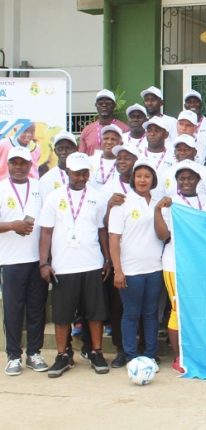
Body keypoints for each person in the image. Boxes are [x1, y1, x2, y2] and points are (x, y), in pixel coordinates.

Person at [38, 152, 111, 378]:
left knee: (95, 313)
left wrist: (107, 259)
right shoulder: (54, 197)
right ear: (68, 172)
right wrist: (44, 263)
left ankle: (96, 352)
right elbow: (46, 232)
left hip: (92, 263)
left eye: (85, 173)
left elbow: (102, 230)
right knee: (62, 315)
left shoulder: (97, 197)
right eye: (77, 173)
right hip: (63, 265)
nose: (81, 177)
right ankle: (62, 355)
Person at [153, 160, 206, 374]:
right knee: (178, 309)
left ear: (198, 180)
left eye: (190, 178)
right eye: (182, 178)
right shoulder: (170, 202)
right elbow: (163, 235)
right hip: (174, 263)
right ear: (176, 181)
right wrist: (158, 210)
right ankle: (179, 356)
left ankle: (197, 352)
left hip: (199, 264)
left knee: (198, 308)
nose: (186, 182)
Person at [108, 160, 163, 367]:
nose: (142, 180)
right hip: (130, 269)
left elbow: (164, 233)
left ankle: (150, 354)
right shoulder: (122, 203)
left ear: (153, 180)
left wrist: (160, 209)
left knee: (150, 314)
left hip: (155, 268)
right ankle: (131, 356)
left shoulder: (159, 203)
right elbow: (114, 238)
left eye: (147, 176)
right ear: (132, 179)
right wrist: (118, 270)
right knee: (131, 313)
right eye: (138, 176)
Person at [1, 146, 48, 376]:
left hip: (37, 259)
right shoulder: (1, 188)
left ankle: (34, 353)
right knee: (13, 310)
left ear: (31, 165)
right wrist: (12, 225)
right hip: (11, 260)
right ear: (8, 164)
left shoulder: (40, 188)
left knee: (37, 309)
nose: (18, 167)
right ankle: (13, 356)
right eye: (14, 163)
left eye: (23, 163)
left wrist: (47, 258)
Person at [163, 134, 206, 201]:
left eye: (186, 149)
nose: (182, 152)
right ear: (174, 152)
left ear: (195, 152)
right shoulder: (167, 173)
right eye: (179, 150)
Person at [79, 89, 129, 155]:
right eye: (100, 103)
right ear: (96, 105)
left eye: (108, 103)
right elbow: (81, 155)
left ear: (114, 105)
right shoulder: (87, 130)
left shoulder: (124, 129)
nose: (104, 105)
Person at [39, 131, 79, 199]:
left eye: (68, 148)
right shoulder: (47, 179)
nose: (64, 152)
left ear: (75, 149)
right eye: (60, 148)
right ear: (55, 151)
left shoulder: (84, 176)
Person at [141, 116, 177, 182]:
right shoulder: (138, 154)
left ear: (166, 134)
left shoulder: (173, 157)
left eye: (157, 131)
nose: (152, 134)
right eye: (149, 131)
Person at [89, 125, 122, 191]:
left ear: (120, 143)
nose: (109, 142)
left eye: (113, 139)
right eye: (106, 139)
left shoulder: (123, 163)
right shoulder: (90, 160)